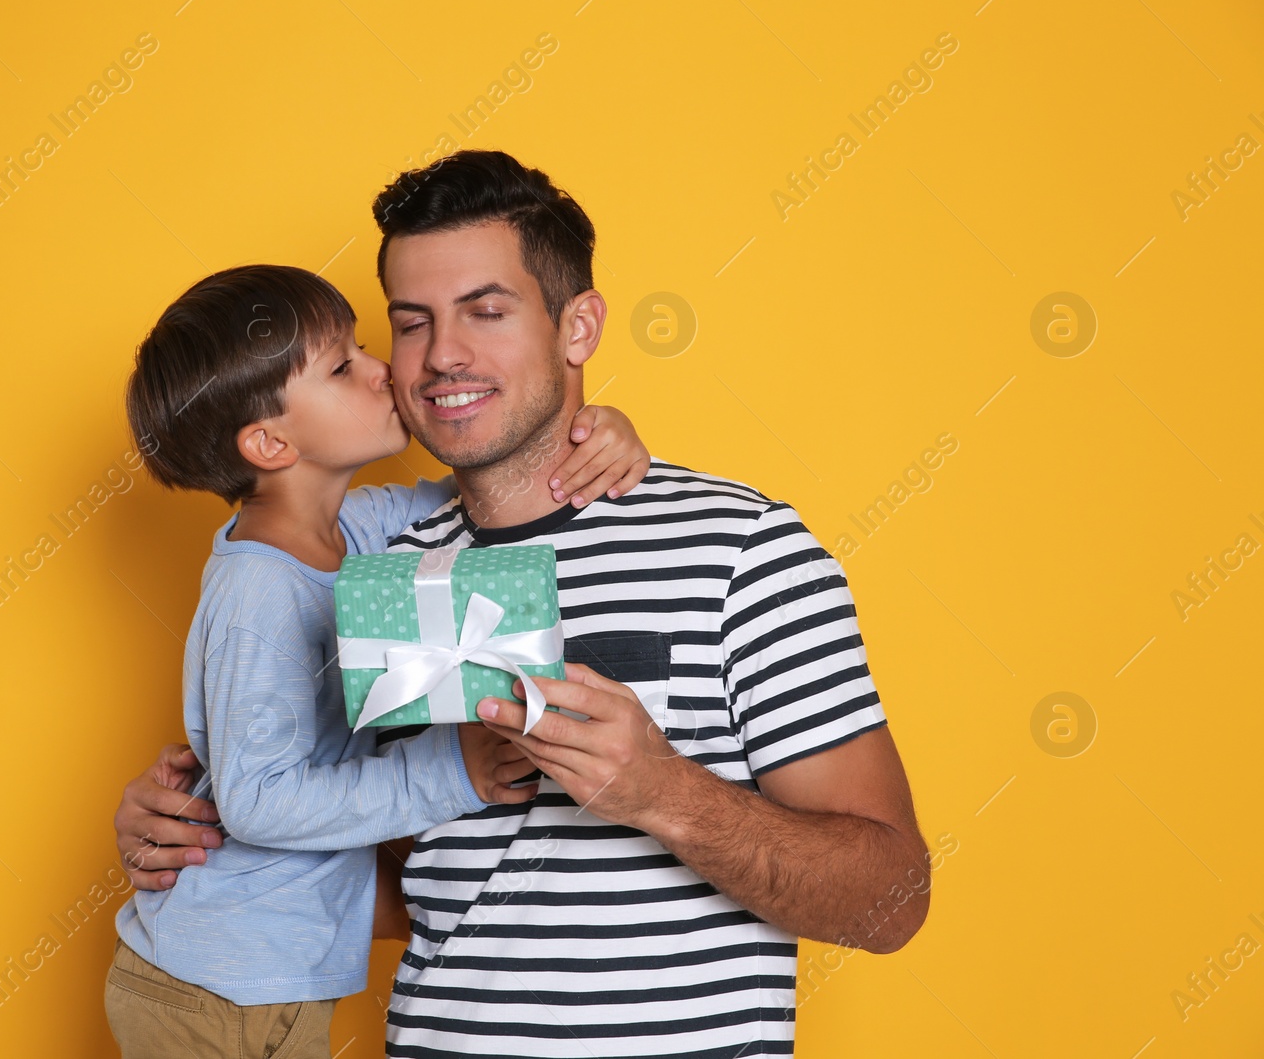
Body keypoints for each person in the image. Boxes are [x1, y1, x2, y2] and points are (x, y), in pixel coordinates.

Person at [115, 151, 932, 1057]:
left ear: (578, 327)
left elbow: (892, 901)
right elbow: (411, 873)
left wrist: (665, 794)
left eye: (487, 311)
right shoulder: (376, 566)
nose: (438, 357)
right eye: (412, 322)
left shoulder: (740, 549)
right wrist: (206, 841)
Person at [104, 262, 652, 1059]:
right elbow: (257, 802)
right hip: (213, 989)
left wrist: (597, 429)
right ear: (269, 441)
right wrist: (449, 775)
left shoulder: (355, 531)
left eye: (366, 346)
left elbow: (489, 484)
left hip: (270, 978)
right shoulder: (257, 587)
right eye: (341, 366)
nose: (382, 370)